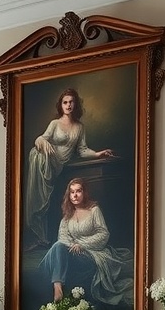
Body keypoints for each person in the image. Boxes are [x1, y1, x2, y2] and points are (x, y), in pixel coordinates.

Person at [24, 87, 113, 249]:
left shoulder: (79, 127)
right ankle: (39, 238)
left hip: (59, 163)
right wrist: (42, 142)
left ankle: (44, 239)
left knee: (47, 201)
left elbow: (82, 150)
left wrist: (98, 154)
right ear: (61, 105)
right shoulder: (54, 123)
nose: (68, 105)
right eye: (65, 102)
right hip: (43, 162)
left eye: (71, 102)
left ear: (75, 104)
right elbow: (42, 138)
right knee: (39, 201)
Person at [39, 178, 134, 309]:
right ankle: (58, 288)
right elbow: (63, 236)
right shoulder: (68, 214)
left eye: (78, 191)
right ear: (69, 194)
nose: (75, 195)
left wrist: (82, 245)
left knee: (57, 248)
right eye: (72, 192)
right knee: (58, 246)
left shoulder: (94, 210)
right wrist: (73, 245)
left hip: (92, 254)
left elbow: (103, 234)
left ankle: (55, 287)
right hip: (73, 253)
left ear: (84, 193)